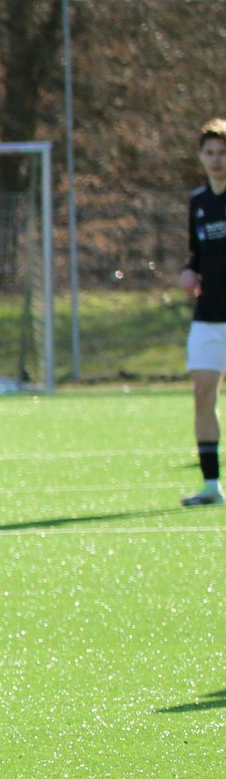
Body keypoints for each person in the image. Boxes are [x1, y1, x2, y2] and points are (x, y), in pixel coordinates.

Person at [180, 119, 226, 506]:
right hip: (208, 315)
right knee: (202, 392)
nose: (216, 160)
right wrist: (189, 270)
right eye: (210, 152)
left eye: (222, 152)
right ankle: (211, 486)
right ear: (200, 156)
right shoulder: (198, 203)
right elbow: (197, 253)